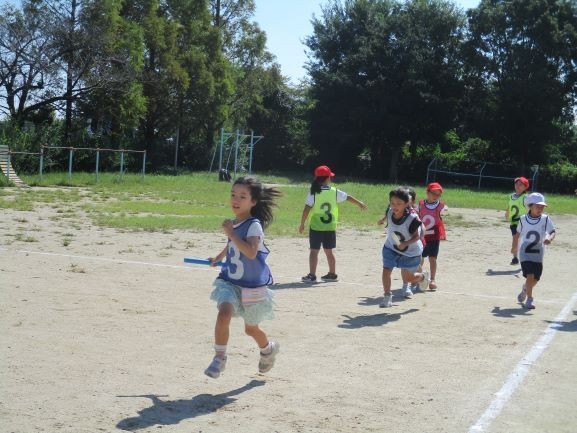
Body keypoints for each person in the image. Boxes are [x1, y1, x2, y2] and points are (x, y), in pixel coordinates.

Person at [205, 176, 282, 379]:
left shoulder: (253, 225)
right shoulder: (235, 223)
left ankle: (268, 350)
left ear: (253, 202)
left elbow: (250, 252)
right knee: (223, 314)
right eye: (233, 195)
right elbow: (232, 247)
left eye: (242, 196)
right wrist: (219, 257)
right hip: (230, 280)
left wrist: (231, 234)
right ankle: (219, 357)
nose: (235, 200)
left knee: (251, 329)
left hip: (252, 286)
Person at [299, 165, 367, 282]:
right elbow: (348, 197)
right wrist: (359, 203)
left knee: (314, 251)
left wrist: (302, 224)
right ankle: (332, 274)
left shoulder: (313, 192)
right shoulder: (334, 191)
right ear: (327, 179)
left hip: (316, 226)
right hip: (330, 226)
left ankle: (312, 275)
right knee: (329, 251)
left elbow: (306, 209)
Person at [377, 187, 429, 308]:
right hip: (390, 247)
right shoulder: (389, 212)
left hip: (410, 252)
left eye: (399, 203)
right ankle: (387, 297)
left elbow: (417, 237)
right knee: (386, 271)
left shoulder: (412, 219)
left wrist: (405, 243)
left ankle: (422, 277)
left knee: (409, 279)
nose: (395, 206)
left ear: (407, 204)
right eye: (392, 203)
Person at [512, 192, 556, 310]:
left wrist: (549, 238)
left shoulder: (545, 219)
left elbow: (552, 231)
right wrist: (514, 247)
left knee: (535, 278)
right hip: (525, 252)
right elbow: (517, 234)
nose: (540, 208)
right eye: (537, 206)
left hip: (539, 252)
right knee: (530, 275)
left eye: (542, 207)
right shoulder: (523, 219)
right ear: (530, 206)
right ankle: (529, 300)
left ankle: (525, 289)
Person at [417, 182, 448, 291]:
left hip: (434, 235)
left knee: (433, 258)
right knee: (420, 257)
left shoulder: (441, 206)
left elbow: (444, 213)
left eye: (438, 194)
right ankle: (419, 277)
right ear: (427, 192)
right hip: (421, 235)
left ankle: (433, 279)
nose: (435, 196)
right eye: (433, 193)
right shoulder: (420, 204)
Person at [505, 177, 529, 265]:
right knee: (516, 238)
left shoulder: (525, 197)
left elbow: (529, 209)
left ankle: (515, 250)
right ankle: (515, 258)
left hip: (523, 222)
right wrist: (507, 212)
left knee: (517, 238)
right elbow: (510, 205)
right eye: (516, 184)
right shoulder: (512, 196)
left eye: (520, 185)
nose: (518, 186)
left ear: (525, 187)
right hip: (514, 222)